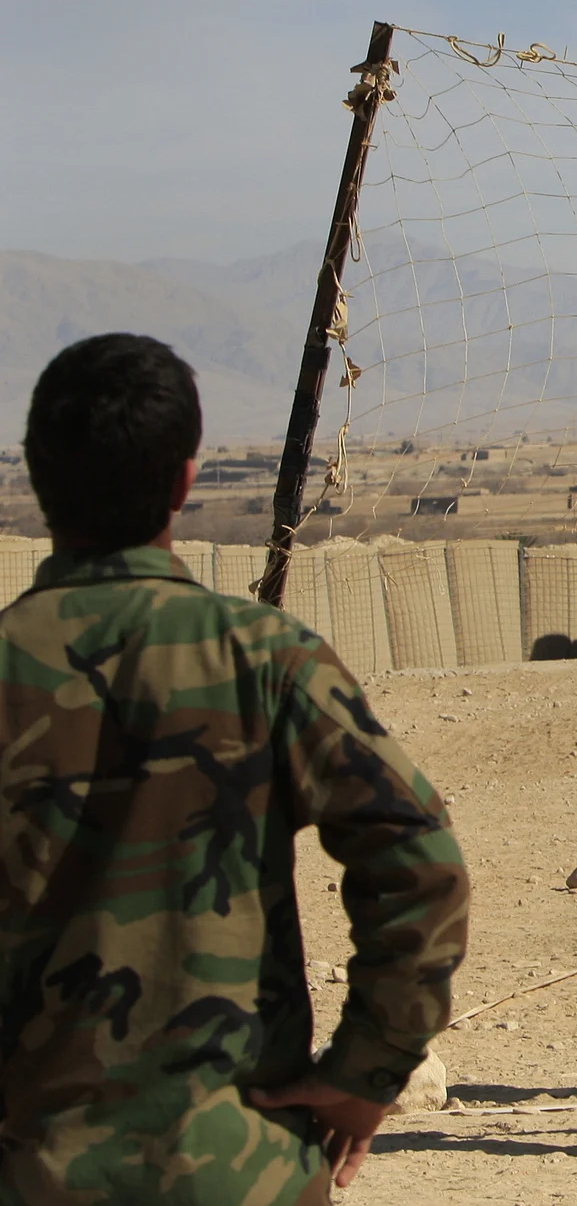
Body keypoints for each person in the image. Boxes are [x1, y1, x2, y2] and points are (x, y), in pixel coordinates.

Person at [0, 333, 470, 1201]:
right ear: (183, 483)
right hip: (236, 1169)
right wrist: (367, 1070)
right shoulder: (262, 658)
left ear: (35, 477)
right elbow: (420, 861)